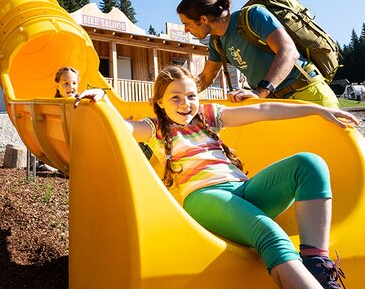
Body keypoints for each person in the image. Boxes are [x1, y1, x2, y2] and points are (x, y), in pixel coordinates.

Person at [146, 65, 354, 288]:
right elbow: (124, 127)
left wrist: (316, 109)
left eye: (191, 96)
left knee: (309, 164)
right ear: (160, 102)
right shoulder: (156, 129)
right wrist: (102, 99)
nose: (185, 104)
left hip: (243, 191)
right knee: (271, 235)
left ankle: (317, 266)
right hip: (205, 196)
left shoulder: (208, 116)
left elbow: (263, 110)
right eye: (175, 98)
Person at [177, 0, 338, 109]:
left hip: (307, 93)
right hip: (276, 104)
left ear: (203, 19)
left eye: (186, 23)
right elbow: (205, 78)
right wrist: (173, 94)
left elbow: (289, 52)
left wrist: (260, 92)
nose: (185, 30)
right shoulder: (216, 41)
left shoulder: (253, 16)